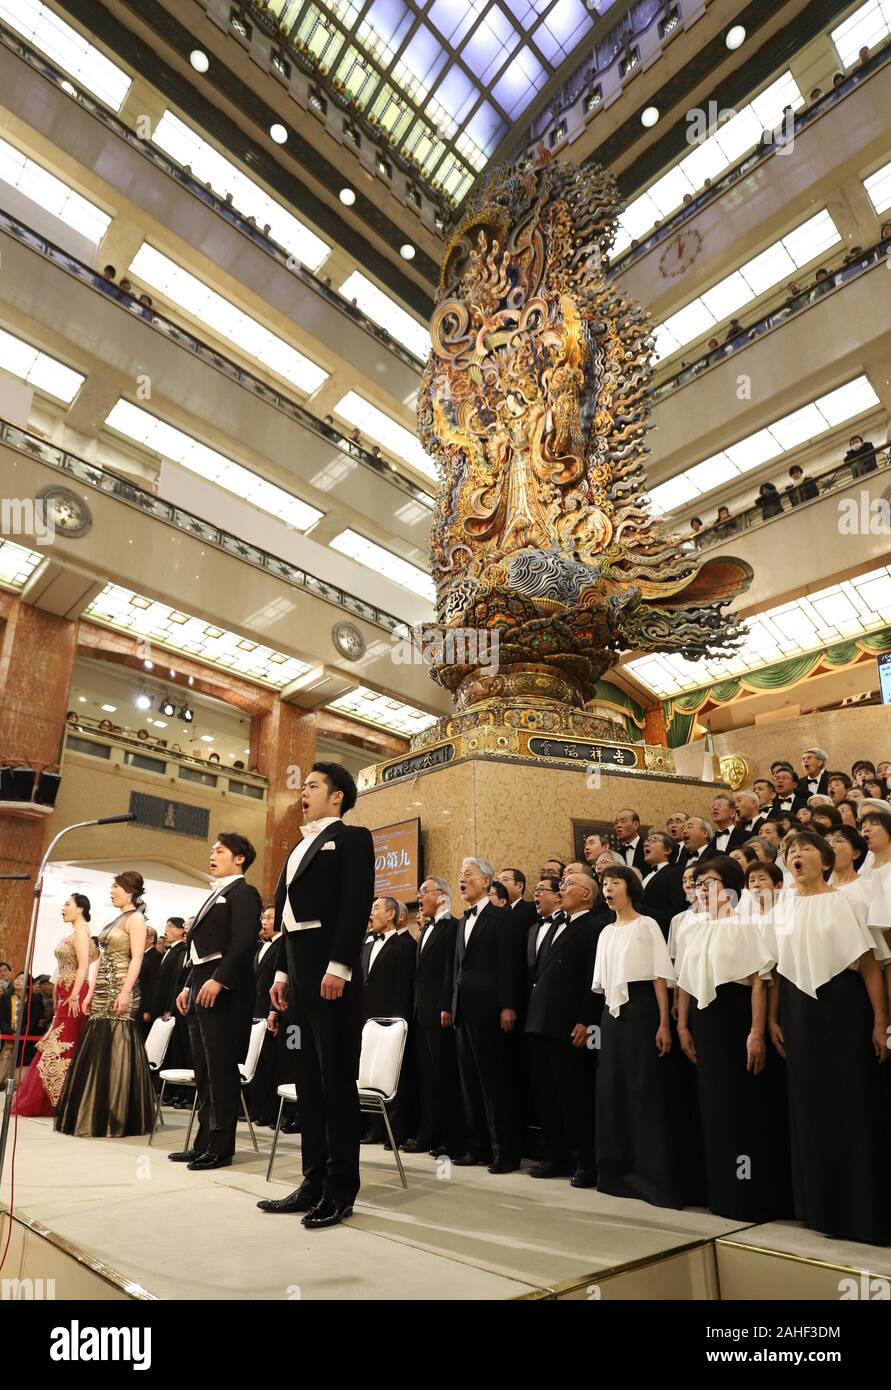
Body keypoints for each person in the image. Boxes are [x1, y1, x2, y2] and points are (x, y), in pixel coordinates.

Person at [258, 763, 374, 1229]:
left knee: (335, 1083)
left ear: (338, 796)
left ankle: (341, 1189)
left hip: (330, 971)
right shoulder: (297, 846)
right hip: (299, 972)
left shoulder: (352, 838)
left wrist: (340, 967)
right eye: (303, 785)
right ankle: (312, 1181)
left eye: (312, 785)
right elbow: (286, 920)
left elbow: (355, 904)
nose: (303, 792)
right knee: (306, 1078)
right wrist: (282, 973)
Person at [765, 831, 891, 1244]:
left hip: (844, 1007)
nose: (795, 855)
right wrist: (770, 1020)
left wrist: (879, 1021)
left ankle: (864, 1209)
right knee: (809, 1102)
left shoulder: (846, 900)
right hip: (798, 1013)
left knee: (852, 1099)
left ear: (824, 859)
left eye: (803, 850)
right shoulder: (781, 909)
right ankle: (821, 1207)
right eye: (789, 851)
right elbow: (775, 972)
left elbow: (870, 966)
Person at [675, 858, 789, 1221]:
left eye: (710, 882)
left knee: (742, 1107)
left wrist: (757, 1032)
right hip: (703, 1024)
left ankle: (749, 1195)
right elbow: (683, 983)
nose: (702, 890)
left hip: (736, 1022)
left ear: (730, 887)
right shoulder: (692, 929)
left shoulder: (745, 926)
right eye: (699, 884)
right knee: (713, 1108)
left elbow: (760, 982)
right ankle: (720, 1191)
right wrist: (681, 1026)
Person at [592, 866, 696, 1208]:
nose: (608, 889)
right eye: (605, 884)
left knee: (644, 1090)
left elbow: (658, 978)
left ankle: (653, 1175)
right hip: (613, 1016)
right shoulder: (606, 931)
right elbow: (604, 985)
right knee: (615, 1090)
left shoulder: (647, 924)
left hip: (643, 1012)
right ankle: (617, 1172)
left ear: (630, 888)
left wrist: (664, 1024)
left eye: (615, 883)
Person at [169, 835, 261, 1170]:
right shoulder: (216, 893)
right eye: (211, 850)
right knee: (204, 1070)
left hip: (224, 992)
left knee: (221, 1070)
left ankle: (221, 1147)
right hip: (200, 986)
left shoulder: (243, 893)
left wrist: (220, 979)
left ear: (239, 859)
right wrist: (188, 986)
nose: (212, 855)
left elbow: (243, 942)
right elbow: (199, 951)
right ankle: (203, 1141)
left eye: (220, 851)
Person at [55, 872, 155, 1137]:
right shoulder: (115, 919)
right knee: (99, 1048)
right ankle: (93, 1110)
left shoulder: (136, 919)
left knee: (117, 1049)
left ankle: (115, 1115)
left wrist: (125, 992)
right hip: (100, 991)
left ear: (130, 891)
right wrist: (88, 994)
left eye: (116, 886)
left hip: (120, 988)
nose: (112, 891)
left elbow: (136, 959)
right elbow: (101, 959)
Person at [445, 856, 525, 1174]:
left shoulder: (502, 918)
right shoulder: (463, 920)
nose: (462, 879)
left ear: (487, 882)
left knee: (495, 1084)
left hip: (491, 1009)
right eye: (460, 874)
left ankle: (505, 1152)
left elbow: (511, 965)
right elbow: (457, 969)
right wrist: (450, 1006)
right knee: (470, 1084)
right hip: (464, 1011)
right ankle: (477, 1147)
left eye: (469, 874)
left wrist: (508, 1005)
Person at [525, 871, 598, 1188]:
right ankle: (555, 1155)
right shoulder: (555, 925)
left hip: (569, 1024)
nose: (562, 890)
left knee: (574, 1097)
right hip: (541, 1021)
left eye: (569, 886)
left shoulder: (594, 926)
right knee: (547, 1096)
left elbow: (594, 979)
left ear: (586, 894)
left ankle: (586, 1162)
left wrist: (586, 1019)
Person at [12, 894, 92, 1116]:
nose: (63, 907)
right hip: (65, 994)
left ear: (81, 909)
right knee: (56, 1044)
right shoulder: (74, 932)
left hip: (74, 994)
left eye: (68, 904)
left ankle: (60, 1099)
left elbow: (84, 966)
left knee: (65, 1044)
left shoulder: (83, 931)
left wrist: (75, 995)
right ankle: (52, 1097)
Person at [403, 877, 464, 1159]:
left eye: (423, 891)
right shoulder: (425, 929)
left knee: (444, 1077)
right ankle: (428, 1134)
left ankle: (452, 1139)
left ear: (441, 896)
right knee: (427, 1077)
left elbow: (450, 971)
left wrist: (445, 1006)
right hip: (420, 1012)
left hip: (439, 1013)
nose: (418, 896)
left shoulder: (452, 927)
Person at [153, 916, 190, 1106]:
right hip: (172, 1009)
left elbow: (178, 984)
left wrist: (170, 1009)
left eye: (170, 926)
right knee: (173, 1052)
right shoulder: (173, 952)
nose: (166, 929)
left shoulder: (183, 951)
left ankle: (184, 1093)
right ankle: (173, 1091)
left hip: (184, 1010)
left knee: (184, 1054)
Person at [614, 807, 646, 872]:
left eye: (623, 821)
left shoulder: (647, 848)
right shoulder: (617, 855)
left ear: (636, 824)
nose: (618, 825)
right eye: (616, 823)